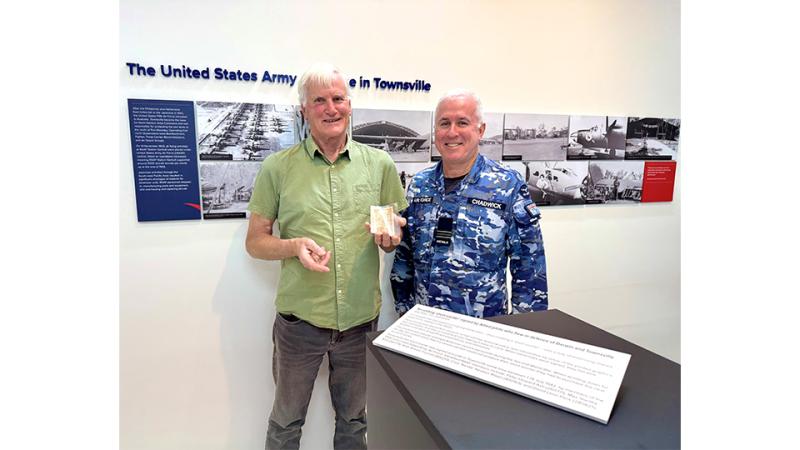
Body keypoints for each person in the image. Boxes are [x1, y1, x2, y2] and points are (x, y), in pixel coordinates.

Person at [245, 62, 408, 450]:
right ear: (305, 110)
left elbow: (390, 238)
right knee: (285, 424)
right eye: (319, 100)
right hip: (300, 324)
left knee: (354, 422)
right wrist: (291, 246)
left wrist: (389, 239)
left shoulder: (379, 165)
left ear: (350, 105)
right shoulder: (278, 168)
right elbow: (255, 241)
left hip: (359, 323)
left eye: (338, 98)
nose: (330, 108)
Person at [390, 89, 548, 318]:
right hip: (424, 326)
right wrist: (404, 313)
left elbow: (529, 266)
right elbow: (405, 257)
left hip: (482, 330)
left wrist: (526, 330)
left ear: (480, 129)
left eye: (462, 122)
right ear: (435, 131)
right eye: (444, 123)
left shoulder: (507, 185)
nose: (452, 132)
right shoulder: (419, 185)